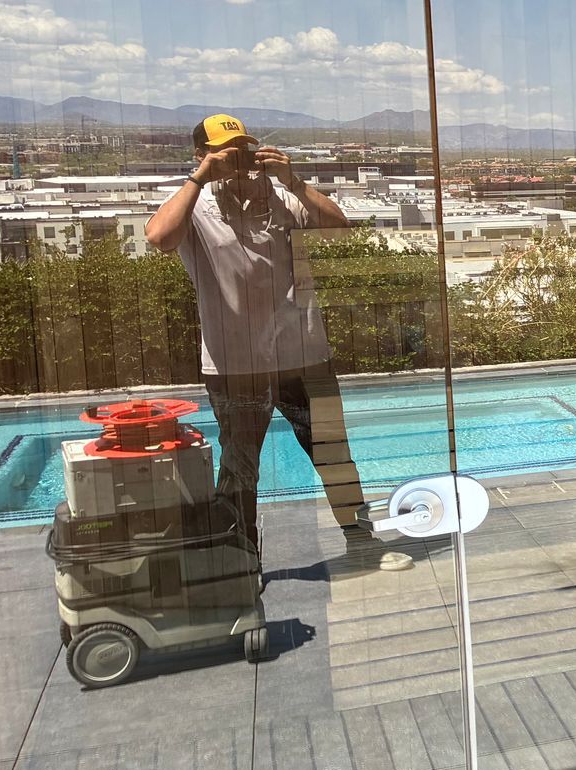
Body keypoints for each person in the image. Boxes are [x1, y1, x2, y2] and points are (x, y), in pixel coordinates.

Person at [145, 114, 409, 571]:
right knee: (239, 467)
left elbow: (341, 230)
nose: (238, 160)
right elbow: (158, 238)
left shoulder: (285, 199)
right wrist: (200, 178)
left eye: (243, 148)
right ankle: (242, 565)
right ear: (200, 155)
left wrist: (295, 180)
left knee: (333, 453)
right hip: (234, 362)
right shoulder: (195, 204)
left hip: (304, 354)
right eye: (224, 151)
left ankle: (361, 542)